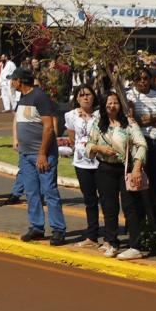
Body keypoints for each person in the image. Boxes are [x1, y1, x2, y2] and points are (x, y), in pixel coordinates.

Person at [87, 90, 150, 260]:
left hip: (126, 169)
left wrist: (137, 168)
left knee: (131, 207)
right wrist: (99, 148)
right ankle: (111, 242)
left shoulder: (129, 124)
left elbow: (142, 145)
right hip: (105, 169)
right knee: (109, 207)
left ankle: (135, 246)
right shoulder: (97, 125)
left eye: (115, 103)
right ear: (103, 106)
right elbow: (88, 145)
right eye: (108, 103)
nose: (112, 106)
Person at [11, 68, 65, 245]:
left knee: (49, 192)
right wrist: (17, 139)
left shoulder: (39, 97)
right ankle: (37, 227)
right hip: (25, 154)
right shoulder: (24, 98)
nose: (12, 82)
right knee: (31, 192)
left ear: (20, 81)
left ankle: (58, 229)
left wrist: (42, 153)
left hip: (42, 154)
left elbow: (48, 127)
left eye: (13, 79)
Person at [127, 69, 156, 229]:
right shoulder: (130, 96)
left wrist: (152, 119)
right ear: (134, 81)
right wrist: (144, 121)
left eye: (145, 78)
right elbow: (132, 120)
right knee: (138, 185)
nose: (142, 81)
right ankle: (137, 225)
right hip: (139, 143)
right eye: (138, 78)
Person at [65, 86, 103, 247]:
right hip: (82, 162)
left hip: (101, 161)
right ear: (77, 99)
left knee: (107, 199)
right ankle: (92, 236)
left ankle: (110, 237)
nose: (85, 98)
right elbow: (72, 137)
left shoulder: (101, 114)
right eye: (82, 95)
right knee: (90, 200)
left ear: (94, 97)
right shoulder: (71, 115)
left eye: (88, 95)